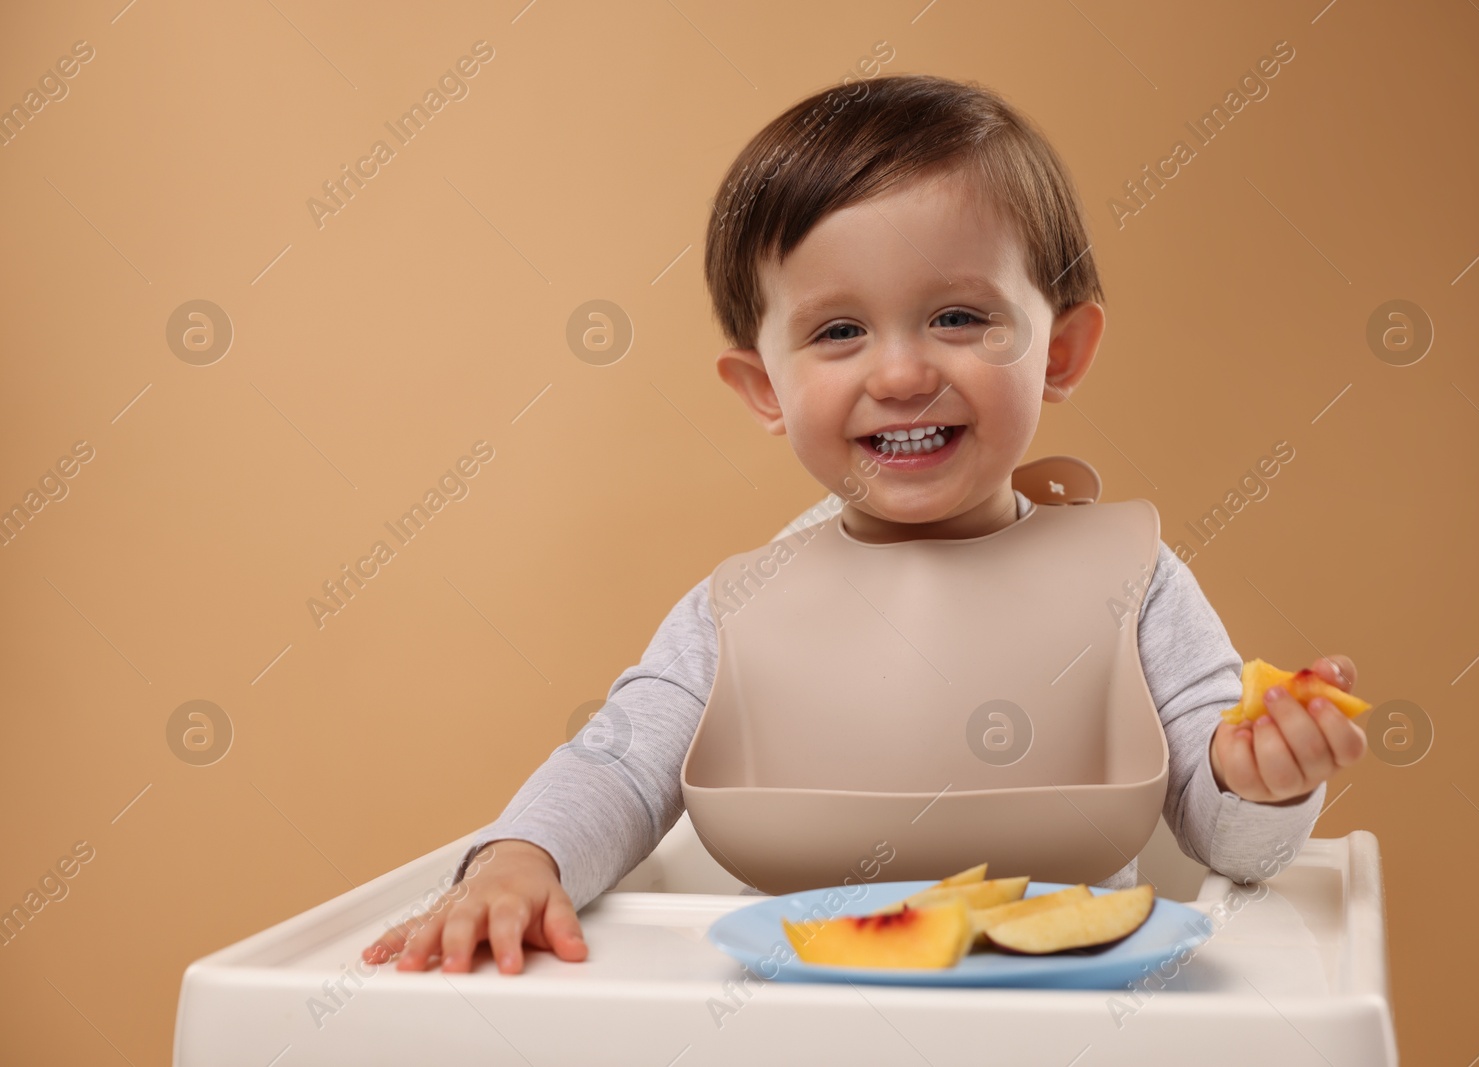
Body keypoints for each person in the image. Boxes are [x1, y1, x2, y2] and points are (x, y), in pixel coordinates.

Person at [363, 72, 1366, 976]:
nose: (899, 374)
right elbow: (617, 765)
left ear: (1060, 350)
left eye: (959, 317)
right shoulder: (743, 609)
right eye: (838, 331)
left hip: (1067, 1018)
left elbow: (1236, 847)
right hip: (797, 1021)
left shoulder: (1131, 581)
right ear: (765, 387)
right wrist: (517, 858)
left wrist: (1261, 780)